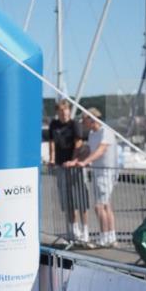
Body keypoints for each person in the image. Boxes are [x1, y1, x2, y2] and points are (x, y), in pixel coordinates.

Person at [66, 108, 117, 247]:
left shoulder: (105, 131)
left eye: (85, 119)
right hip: (97, 172)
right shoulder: (92, 133)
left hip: (106, 172)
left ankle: (104, 237)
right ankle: (110, 237)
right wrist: (76, 161)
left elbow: (101, 150)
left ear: (92, 119)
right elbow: (89, 150)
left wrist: (85, 162)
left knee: (98, 206)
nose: (83, 122)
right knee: (106, 205)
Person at [49, 100, 89, 243]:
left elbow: (78, 144)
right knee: (67, 201)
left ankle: (85, 231)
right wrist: (52, 158)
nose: (64, 114)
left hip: (74, 166)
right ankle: (73, 231)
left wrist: (73, 161)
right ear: (57, 112)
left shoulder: (74, 124)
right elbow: (52, 142)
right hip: (61, 165)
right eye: (61, 112)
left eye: (66, 112)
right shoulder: (54, 125)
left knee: (80, 199)